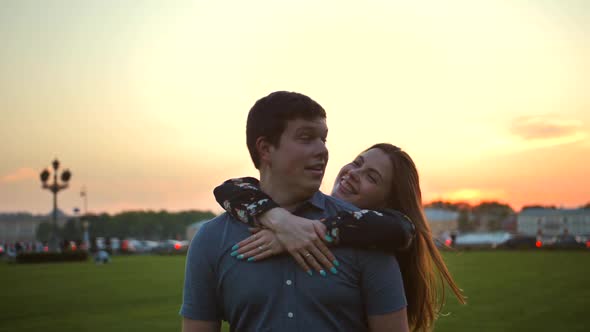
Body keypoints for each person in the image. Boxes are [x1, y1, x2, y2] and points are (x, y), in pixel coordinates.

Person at [180, 91, 408, 331]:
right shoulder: (212, 239)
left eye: (324, 139)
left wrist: (315, 230)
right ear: (266, 149)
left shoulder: (368, 236)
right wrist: (280, 221)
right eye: (307, 138)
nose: (323, 150)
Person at [214, 143, 466, 332]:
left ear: (388, 201)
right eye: (357, 163)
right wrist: (280, 220)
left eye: (371, 177)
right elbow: (229, 188)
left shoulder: (385, 234)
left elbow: (401, 228)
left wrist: (298, 233)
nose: (354, 173)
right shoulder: (296, 214)